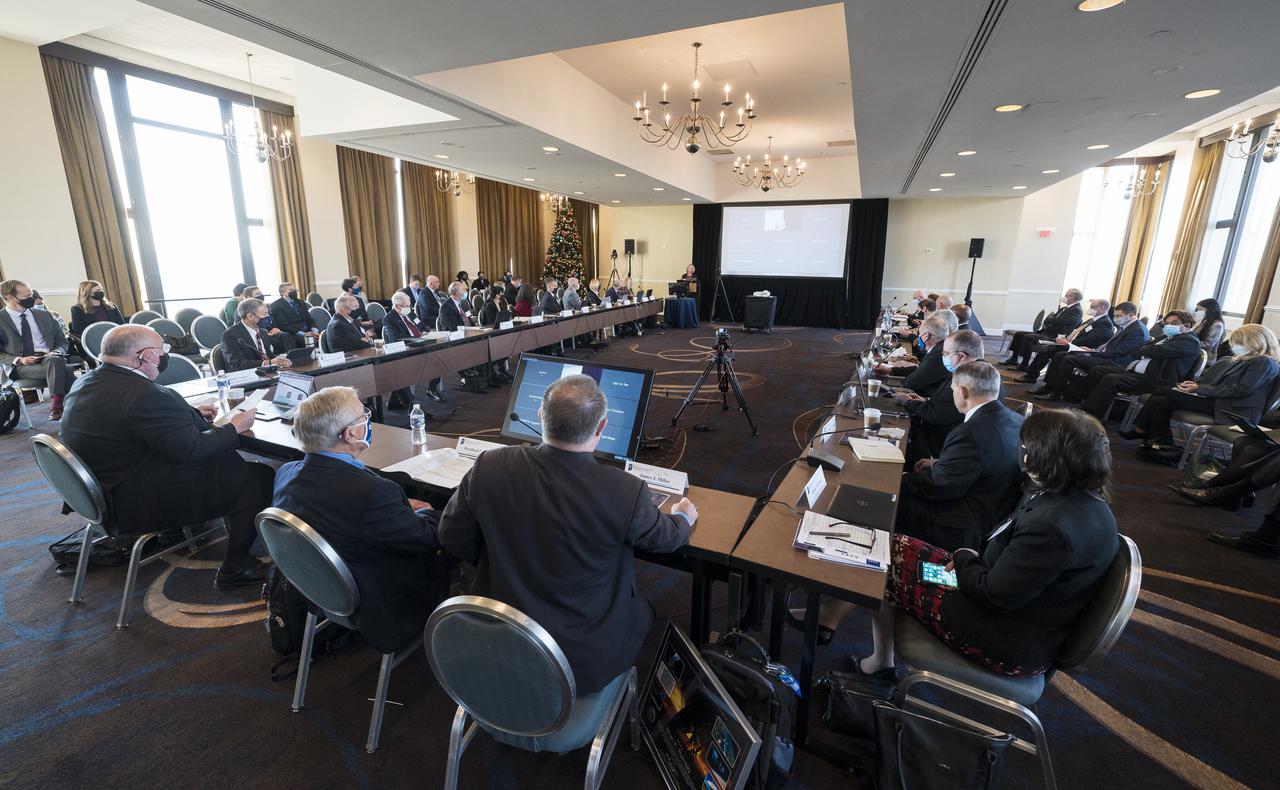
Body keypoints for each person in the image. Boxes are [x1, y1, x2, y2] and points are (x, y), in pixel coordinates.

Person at [439, 374, 698, 699]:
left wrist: (501, 560)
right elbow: (666, 539)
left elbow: (451, 535)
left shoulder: (489, 466)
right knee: (644, 612)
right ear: (602, 428)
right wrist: (684, 517)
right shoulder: (624, 490)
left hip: (500, 638)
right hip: (580, 666)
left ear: (539, 416)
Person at [854, 409, 1118, 681]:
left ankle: (878, 661)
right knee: (891, 546)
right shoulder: (1083, 502)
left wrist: (966, 557)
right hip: (1011, 605)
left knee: (883, 559)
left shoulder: (1052, 527)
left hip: (999, 637)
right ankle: (875, 656)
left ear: (1040, 457)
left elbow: (994, 595)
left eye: (1026, 446)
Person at [59, 324, 271, 589]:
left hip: (102, 487)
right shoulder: (145, 395)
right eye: (162, 350)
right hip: (134, 502)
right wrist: (235, 427)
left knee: (230, 464)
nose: (164, 356)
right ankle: (235, 567)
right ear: (146, 355)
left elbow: (132, 421)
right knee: (256, 476)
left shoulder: (87, 381)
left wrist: (188, 414)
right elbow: (191, 449)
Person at [272, 386, 441, 652]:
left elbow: (344, 507)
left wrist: (392, 510)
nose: (368, 419)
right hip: (381, 603)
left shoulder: (286, 473)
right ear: (350, 434)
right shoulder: (373, 494)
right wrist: (428, 511)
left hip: (319, 590)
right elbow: (427, 538)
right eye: (364, 415)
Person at [895, 361, 1025, 552]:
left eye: (953, 390)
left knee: (893, 494)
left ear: (963, 392)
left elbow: (939, 488)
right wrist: (939, 463)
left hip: (963, 521)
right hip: (995, 505)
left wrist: (903, 479)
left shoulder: (969, 433)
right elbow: (987, 460)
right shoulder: (1015, 419)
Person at [1121, 324, 1280, 450]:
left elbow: (1241, 390)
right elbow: (1223, 385)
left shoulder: (1264, 362)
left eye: (1239, 342)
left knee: (1162, 391)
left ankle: (1145, 431)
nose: (1235, 346)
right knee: (1160, 401)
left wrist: (1198, 389)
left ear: (1255, 341)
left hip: (1233, 410)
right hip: (1219, 402)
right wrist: (1197, 386)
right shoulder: (1247, 359)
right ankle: (1159, 441)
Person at [1079, 311, 1201, 420]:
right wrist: (1148, 349)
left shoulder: (1189, 341)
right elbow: (1139, 350)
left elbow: (1156, 351)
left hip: (1156, 379)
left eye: (1174, 323)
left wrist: (1148, 349)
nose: (1169, 326)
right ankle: (1088, 405)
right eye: (1166, 323)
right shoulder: (1166, 337)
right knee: (1098, 371)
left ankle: (1093, 415)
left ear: (1186, 325)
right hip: (1138, 372)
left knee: (1111, 379)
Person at [894, 329, 989, 461]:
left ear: (961, 356)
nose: (943, 357)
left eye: (946, 353)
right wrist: (926, 400)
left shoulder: (969, 379)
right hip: (949, 434)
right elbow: (947, 406)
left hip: (943, 443)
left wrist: (908, 402)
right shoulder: (980, 371)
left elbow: (936, 415)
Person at [1031, 301, 1147, 400]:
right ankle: (1048, 387)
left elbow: (1119, 352)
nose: (1116, 318)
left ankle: (1056, 393)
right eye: (1115, 315)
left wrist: (1094, 353)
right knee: (1061, 355)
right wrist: (1093, 350)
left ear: (1131, 315)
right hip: (1105, 355)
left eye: (1119, 316)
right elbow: (1109, 346)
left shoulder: (1138, 330)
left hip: (1116, 361)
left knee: (1069, 359)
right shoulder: (1127, 325)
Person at [0, 279, 72, 419]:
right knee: (66, 370)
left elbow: (62, 342)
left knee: (55, 360)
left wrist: (57, 351)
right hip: (20, 367)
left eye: (31, 294)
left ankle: (60, 408)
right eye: (26, 297)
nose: (31, 299)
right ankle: (61, 406)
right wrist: (19, 360)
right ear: (9, 297)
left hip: (49, 359)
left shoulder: (44, 315)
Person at [1016, 298, 1115, 384]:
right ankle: (1032, 375)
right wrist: (1067, 339)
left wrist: (1070, 343)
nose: (1090, 308)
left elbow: (1090, 340)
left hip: (1084, 349)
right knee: (1046, 347)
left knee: (1051, 350)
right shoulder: (1094, 319)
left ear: (1102, 308)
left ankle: (1046, 383)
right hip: (1073, 344)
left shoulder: (1105, 323)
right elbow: (1078, 332)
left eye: (1093, 306)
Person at [1002, 288, 1085, 369]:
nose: (1064, 297)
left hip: (1055, 336)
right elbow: (1051, 319)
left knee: (1029, 338)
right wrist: (1051, 320)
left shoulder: (1076, 310)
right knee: (1019, 334)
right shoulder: (1065, 308)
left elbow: (1059, 321)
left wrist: (1051, 320)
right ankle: (1014, 359)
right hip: (1048, 332)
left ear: (1072, 297)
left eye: (1066, 295)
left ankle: (1024, 364)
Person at [385, 291, 445, 402]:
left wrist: (430, 332)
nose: (410, 308)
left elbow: (421, 325)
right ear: (398, 306)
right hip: (409, 349)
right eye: (407, 306)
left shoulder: (410, 313)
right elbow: (396, 338)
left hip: (423, 343)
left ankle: (432, 389)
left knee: (440, 356)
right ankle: (405, 401)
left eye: (410, 305)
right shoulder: (389, 319)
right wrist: (418, 339)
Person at [438, 281, 489, 393]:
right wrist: (469, 331)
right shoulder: (446, 307)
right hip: (454, 338)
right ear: (456, 292)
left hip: (468, 334)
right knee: (475, 348)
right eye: (463, 290)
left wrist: (475, 328)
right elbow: (452, 327)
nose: (466, 292)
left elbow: (469, 319)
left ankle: (485, 379)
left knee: (487, 344)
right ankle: (472, 382)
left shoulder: (463, 303)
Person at [220, 298, 293, 372]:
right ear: (250, 316)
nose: (268, 317)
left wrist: (281, 361)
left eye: (268, 313)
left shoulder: (262, 331)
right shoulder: (230, 335)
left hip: (267, 374)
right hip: (246, 377)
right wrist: (268, 363)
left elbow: (269, 355)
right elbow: (238, 364)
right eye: (265, 314)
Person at [1192, 298, 1227, 364]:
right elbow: (1194, 334)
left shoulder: (1217, 325)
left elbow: (1208, 344)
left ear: (1210, 310)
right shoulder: (1206, 321)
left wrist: (1189, 343)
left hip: (1205, 359)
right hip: (1196, 354)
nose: (1198, 312)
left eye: (1200, 310)